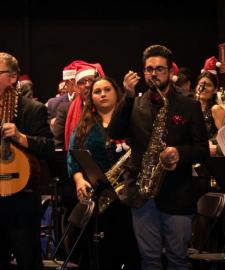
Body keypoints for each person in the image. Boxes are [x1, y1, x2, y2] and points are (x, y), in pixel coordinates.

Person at [110, 44, 209, 270]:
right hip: (142, 192)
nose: (153, 74)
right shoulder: (134, 102)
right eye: (149, 69)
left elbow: (202, 150)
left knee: (177, 260)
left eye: (160, 69)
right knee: (149, 260)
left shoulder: (189, 105)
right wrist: (126, 96)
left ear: (171, 72)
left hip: (177, 193)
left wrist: (179, 152)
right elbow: (114, 132)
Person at [0, 52, 54, 269]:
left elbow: (49, 148)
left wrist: (21, 137)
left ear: (13, 77)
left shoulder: (33, 109)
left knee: (28, 260)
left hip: (21, 199)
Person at [66, 76, 140, 269]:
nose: (102, 94)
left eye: (107, 89)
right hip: (97, 198)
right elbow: (72, 158)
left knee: (130, 251)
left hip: (128, 198)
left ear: (117, 93)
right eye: (97, 92)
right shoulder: (84, 126)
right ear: (91, 98)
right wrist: (79, 181)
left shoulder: (131, 120)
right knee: (100, 255)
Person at [194, 71, 225, 155]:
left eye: (208, 85)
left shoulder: (216, 109)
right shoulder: (192, 109)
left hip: (211, 156)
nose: (203, 87)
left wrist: (210, 143)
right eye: (201, 84)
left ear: (215, 90)